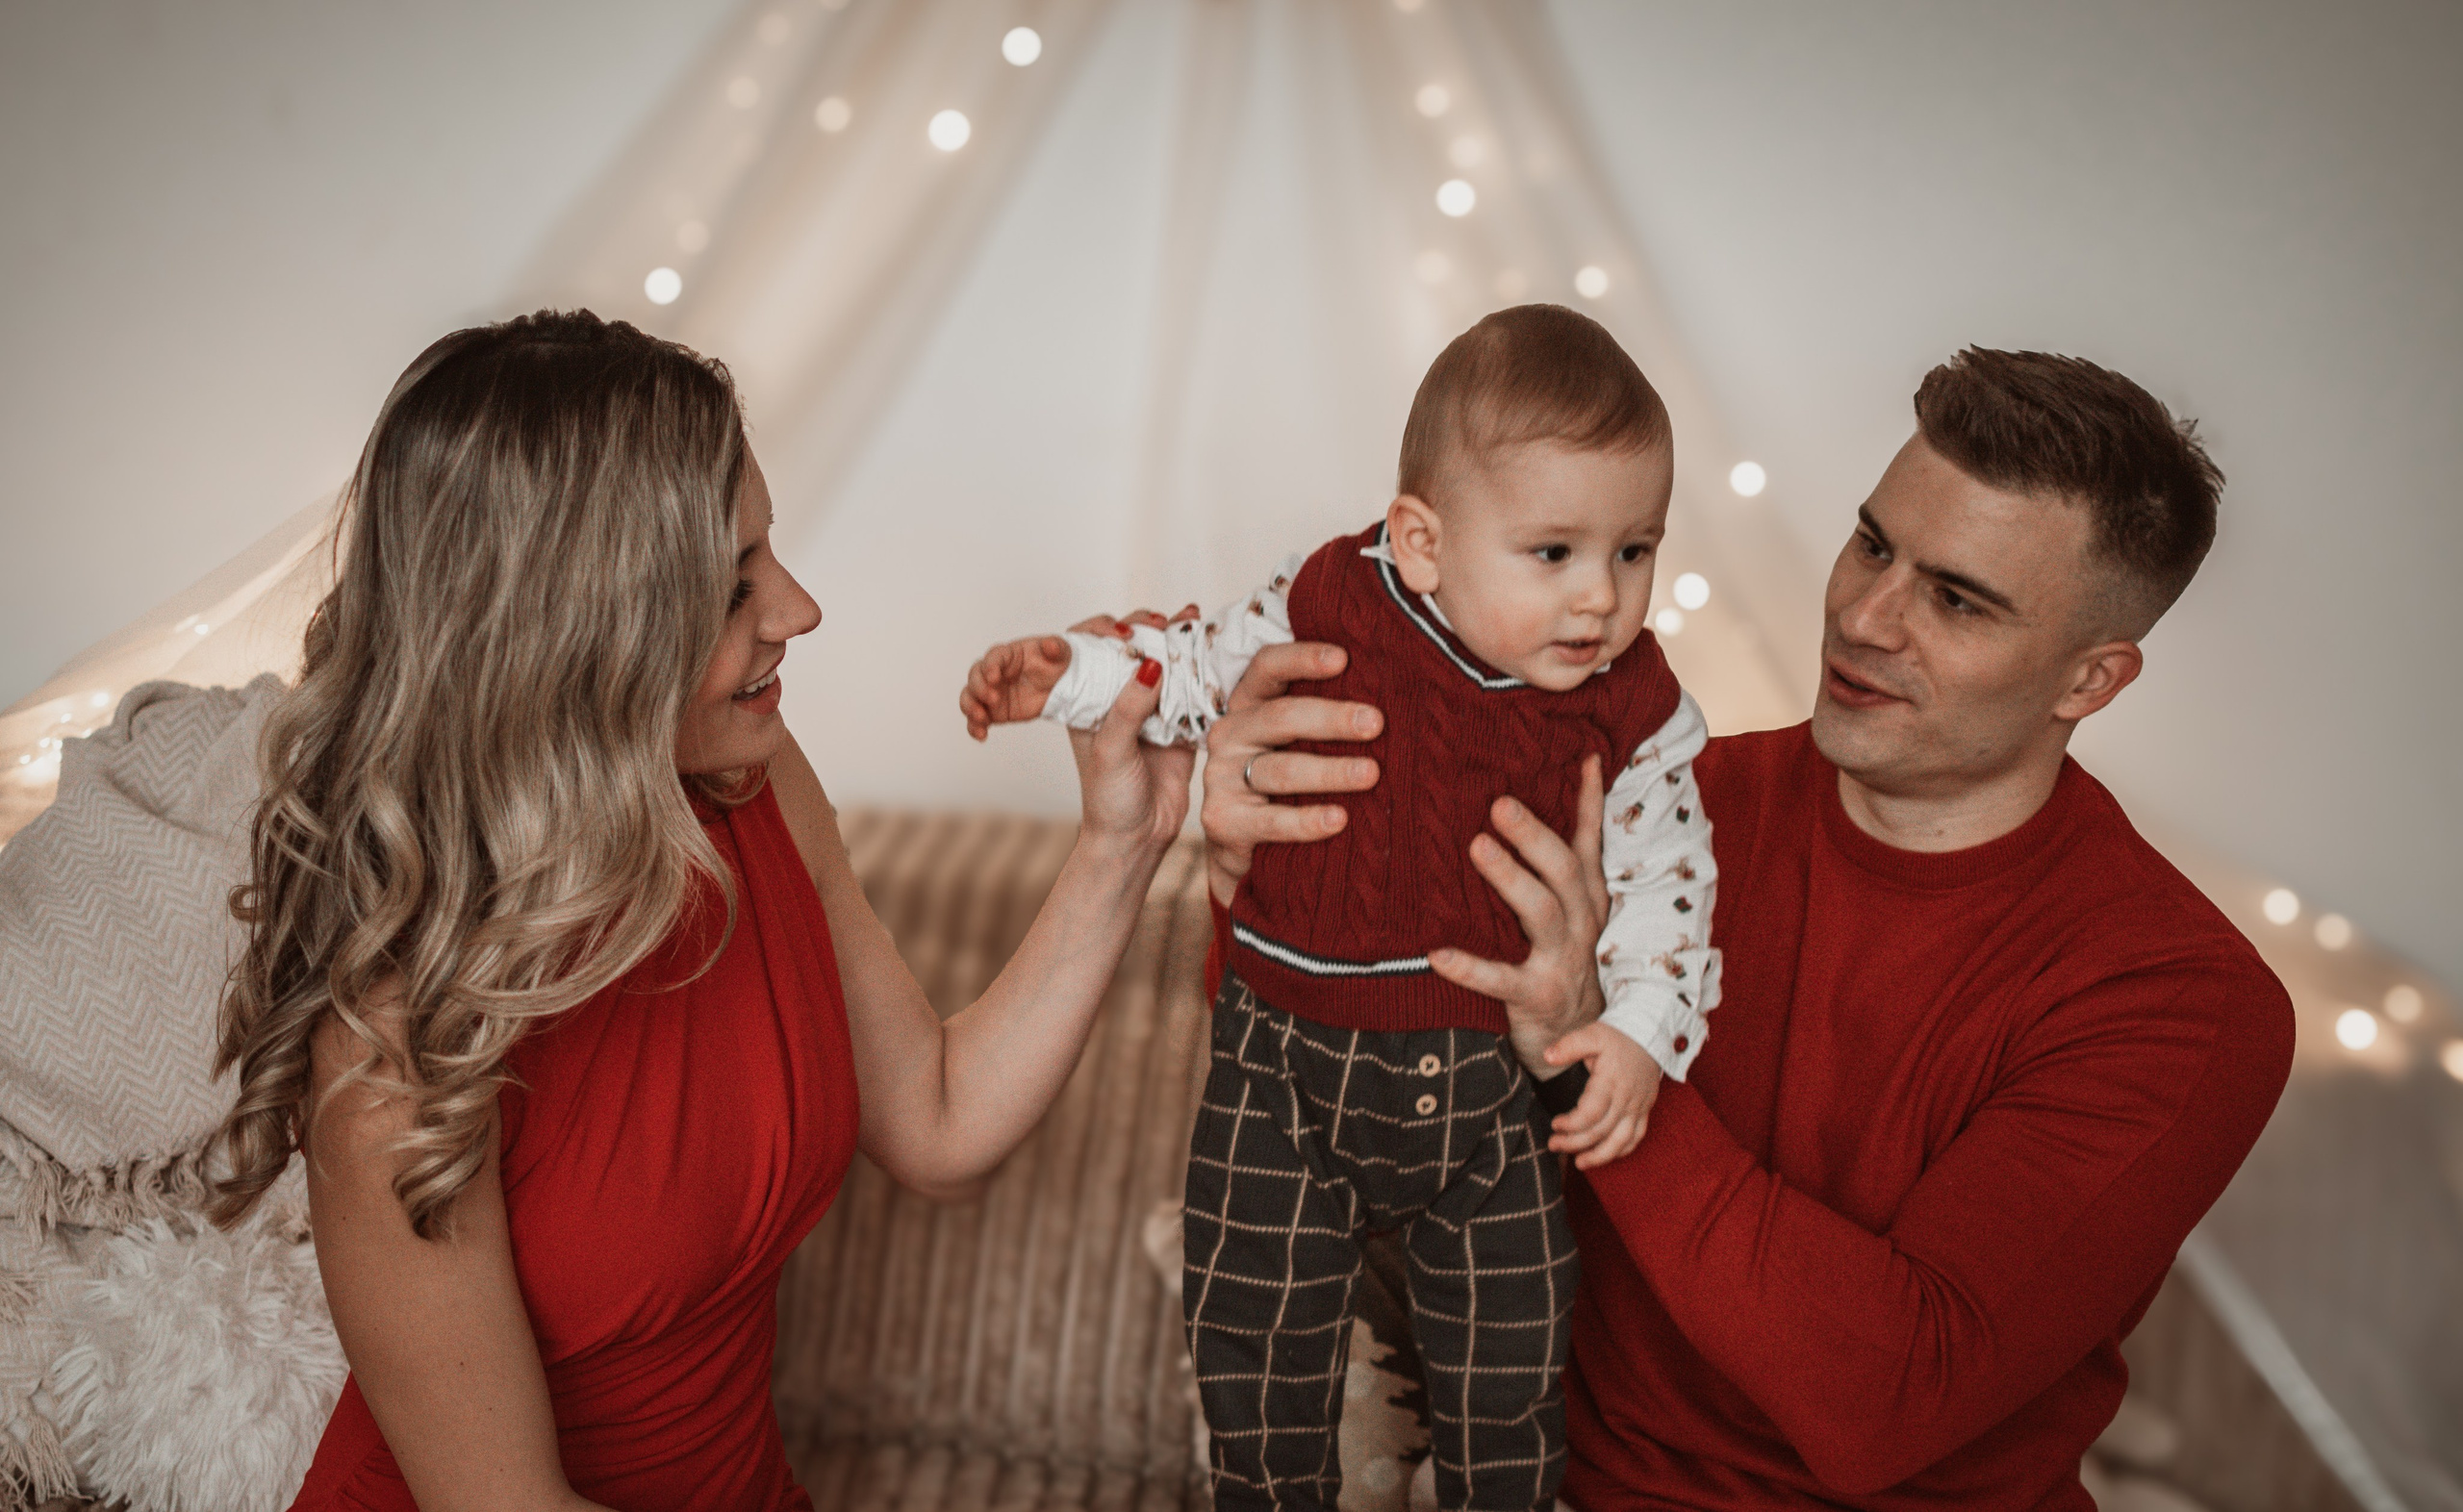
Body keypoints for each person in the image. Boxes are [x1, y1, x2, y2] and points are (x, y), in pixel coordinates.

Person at [1198, 347, 2297, 1510]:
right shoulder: (1653, 806)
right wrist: (1250, 880)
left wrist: (1590, 1052)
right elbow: (1335, 1100)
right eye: (1873, 544)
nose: (1865, 618)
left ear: (2090, 680)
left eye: (1956, 599)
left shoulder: (2183, 1003)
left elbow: (1887, 1400)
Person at [203, 311, 1191, 1511]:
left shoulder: (751, 785)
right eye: (732, 591)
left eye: (768, 553)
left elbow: (937, 1127)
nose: (800, 609)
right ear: (571, 642)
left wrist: (1122, 840)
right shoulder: (393, 1045)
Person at [960, 306, 1719, 1512]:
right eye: (1554, 553)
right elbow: (1198, 662)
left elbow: (1669, 875)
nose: (1601, 602)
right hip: (1279, 1070)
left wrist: (1635, 1025)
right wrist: (1077, 674)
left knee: (1511, 1372)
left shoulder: (1625, 705)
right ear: (1421, 543)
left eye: (1636, 551)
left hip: (1487, 1098)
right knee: (1255, 1354)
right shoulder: (1330, 600)